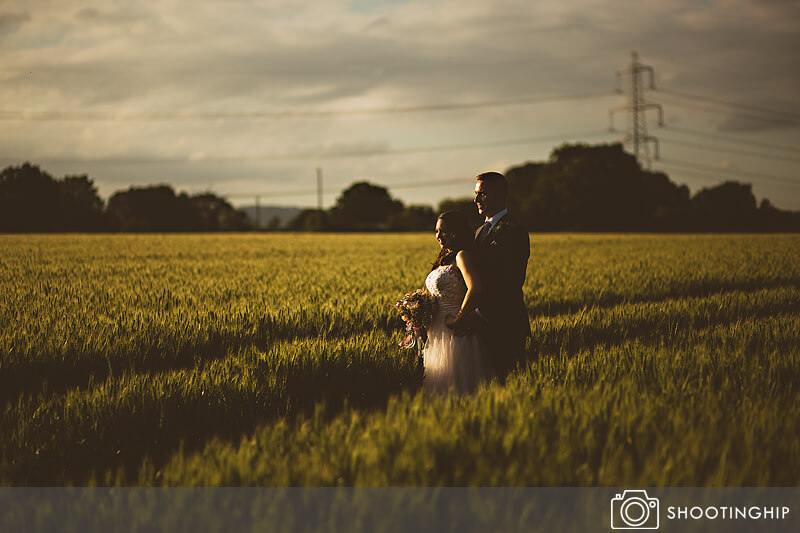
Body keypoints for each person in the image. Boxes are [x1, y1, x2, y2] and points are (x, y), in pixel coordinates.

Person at [450, 172, 530, 379]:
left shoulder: (515, 231)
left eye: (482, 194)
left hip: (505, 325)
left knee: (506, 384)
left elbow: (510, 282)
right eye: (476, 193)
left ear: (499, 195)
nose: (476, 199)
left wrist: (479, 315)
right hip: (477, 328)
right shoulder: (479, 232)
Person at [422, 211, 487, 394]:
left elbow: (476, 288)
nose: (438, 236)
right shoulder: (444, 258)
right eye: (436, 231)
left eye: (443, 231)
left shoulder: (462, 256)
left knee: (458, 384)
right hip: (437, 330)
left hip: (455, 330)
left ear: (455, 232)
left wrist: (459, 319)